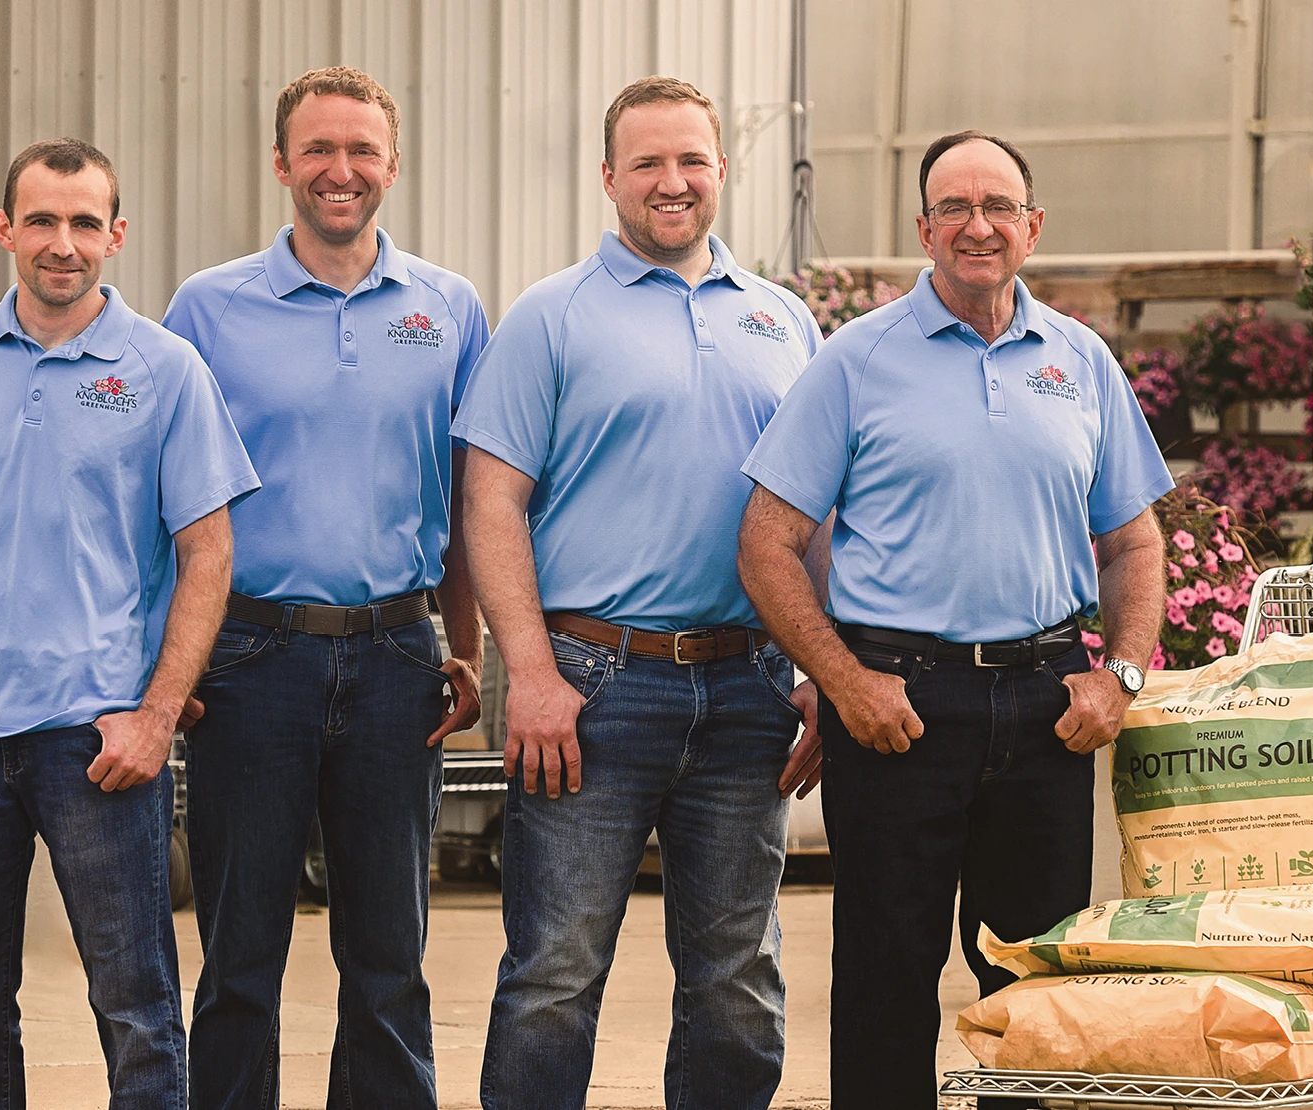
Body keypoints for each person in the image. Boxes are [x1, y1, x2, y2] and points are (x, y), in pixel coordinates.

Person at [736, 129, 1171, 1110]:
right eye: (956, 209)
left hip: (1045, 704)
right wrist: (844, 683)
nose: (979, 226)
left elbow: (1135, 544)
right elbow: (766, 540)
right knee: (887, 984)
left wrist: (1124, 674)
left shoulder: (1078, 359)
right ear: (923, 228)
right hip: (899, 708)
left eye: (999, 207)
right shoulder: (856, 361)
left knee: (1036, 988)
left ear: (1032, 225)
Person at [0, 138, 259, 1110]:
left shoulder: (165, 370)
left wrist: (156, 716)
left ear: (116, 234)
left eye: (85, 222)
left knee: (135, 1008)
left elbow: (209, 552)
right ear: (4, 229)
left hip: (95, 739)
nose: (62, 242)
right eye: (41, 219)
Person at [455, 75, 821, 1110]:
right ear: (610, 177)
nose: (673, 182)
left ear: (719, 169)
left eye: (691, 160)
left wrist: (823, 670)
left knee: (738, 978)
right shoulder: (550, 316)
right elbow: (490, 503)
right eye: (649, 163)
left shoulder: (783, 322)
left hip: (748, 686)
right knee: (554, 973)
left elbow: (822, 519)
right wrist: (526, 673)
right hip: (589, 687)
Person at [161, 66, 488, 1110]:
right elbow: (167, 508)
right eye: (317, 149)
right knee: (240, 960)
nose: (339, 171)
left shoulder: (449, 309)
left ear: (391, 165)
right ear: (281, 164)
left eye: (360, 151)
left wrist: (466, 649)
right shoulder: (207, 311)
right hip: (251, 658)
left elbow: (472, 500)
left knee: (389, 958)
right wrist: (169, 671)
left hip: (398, 659)